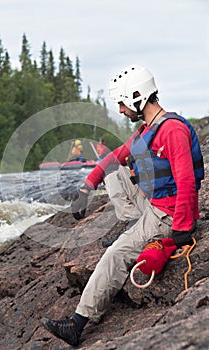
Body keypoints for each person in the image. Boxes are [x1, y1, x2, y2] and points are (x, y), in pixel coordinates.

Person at [41, 64, 204, 346]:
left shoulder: (172, 131)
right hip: (153, 203)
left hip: (167, 214)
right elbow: (116, 155)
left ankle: (77, 324)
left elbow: (187, 182)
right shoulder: (147, 130)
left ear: (136, 96)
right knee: (115, 171)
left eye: (121, 103)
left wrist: (182, 229)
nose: (120, 110)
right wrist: (86, 187)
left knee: (115, 254)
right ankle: (132, 224)